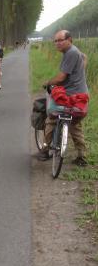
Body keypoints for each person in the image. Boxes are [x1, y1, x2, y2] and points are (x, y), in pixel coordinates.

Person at [39, 30, 88, 166]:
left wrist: (48, 83)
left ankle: (45, 150)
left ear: (69, 39)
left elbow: (61, 78)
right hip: (82, 97)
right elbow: (84, 57)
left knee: (51, 119)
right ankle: (81, 156)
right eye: (55, 41)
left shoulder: (71, 53)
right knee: (75, 124)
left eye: (60, 40)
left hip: (69, 97)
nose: (57, 43)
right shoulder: (75, 52)